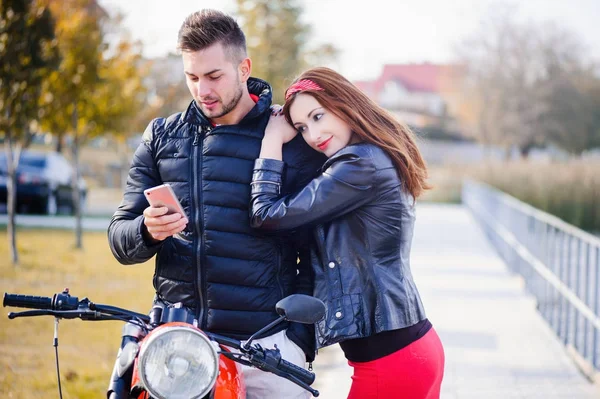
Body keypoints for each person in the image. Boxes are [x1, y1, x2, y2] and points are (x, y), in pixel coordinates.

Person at [107, 9, 325, 399]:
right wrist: (145, 230)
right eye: (192, 77)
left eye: (213, 76)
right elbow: (119, 238)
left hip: (266, 346)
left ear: (244, 68)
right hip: (177, 346)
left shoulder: (289, 138)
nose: (202, 90)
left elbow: (316, 250)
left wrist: (299, 337)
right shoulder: (161, 138)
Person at [250, 67, 445, 398]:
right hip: (404, 352)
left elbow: (267, 214)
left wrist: (271, 140)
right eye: (301, 127)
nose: (312, 134)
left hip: (391, 362)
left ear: (342, 104)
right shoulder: (367, 158)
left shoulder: (360, 165)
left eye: (317, 116)